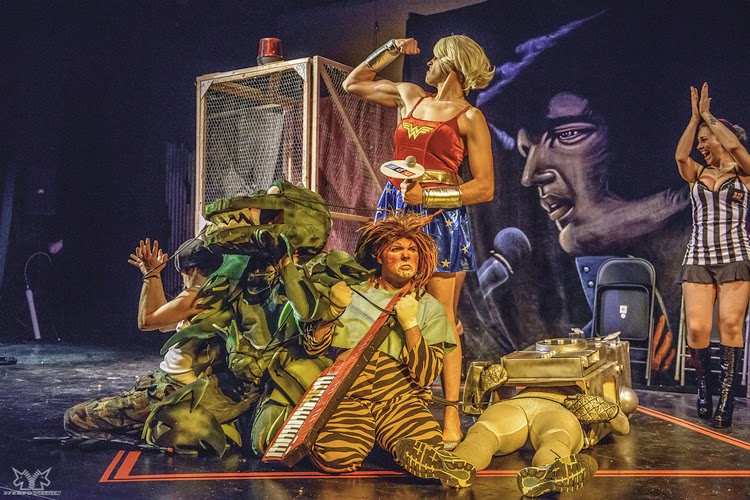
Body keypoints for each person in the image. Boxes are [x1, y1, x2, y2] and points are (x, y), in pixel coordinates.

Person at [342, 34, 495, 448]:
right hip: (395, 209)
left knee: (442, 316)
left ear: (453, 64)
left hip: (440, 217)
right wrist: (390, 48)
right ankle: (392, 400)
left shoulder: (469, 118)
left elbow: (484, 187)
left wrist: (428, 198)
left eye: (434, 58)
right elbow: (353, 83)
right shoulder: (410, 96)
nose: (426, 63)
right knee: (386, 301)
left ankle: (450, 415)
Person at [303, 213, 475, 488]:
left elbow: (425, 375)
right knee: (335, 457)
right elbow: (312, 348)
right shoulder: (352, 293)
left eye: (413, 250)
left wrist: (411, 325)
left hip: (398, 396)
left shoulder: (429, 307)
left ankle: (388, 440)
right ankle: (371, 439)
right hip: (348, 393)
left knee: (426, 446)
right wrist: (330, 313)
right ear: (379, 256)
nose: (406, 255)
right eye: (396, 249)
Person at [63, 237, 234, 449]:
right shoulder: (216, 295)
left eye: (182, 274)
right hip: (170, 386)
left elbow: (146, 322)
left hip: (171, 390)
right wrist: (153, 276)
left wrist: (151, 276)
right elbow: (163, 324)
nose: (183, 280)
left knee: (74, 418)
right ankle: (154, 428)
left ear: (192, 270)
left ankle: (146, 438)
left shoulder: (196, 295)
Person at [674, 83, 750, 428]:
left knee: (730, 326)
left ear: (721, 137)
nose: (700, 146)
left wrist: (708, 115)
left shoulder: (744, 173)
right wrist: (695, 119)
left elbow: (736, 147)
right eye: (700, 141)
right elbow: (680, 157)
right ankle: (705, 388)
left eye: (705, 140)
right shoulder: (697, 173)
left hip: (735, 255)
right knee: (697, 329)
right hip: (699, 256)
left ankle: (726, 401)